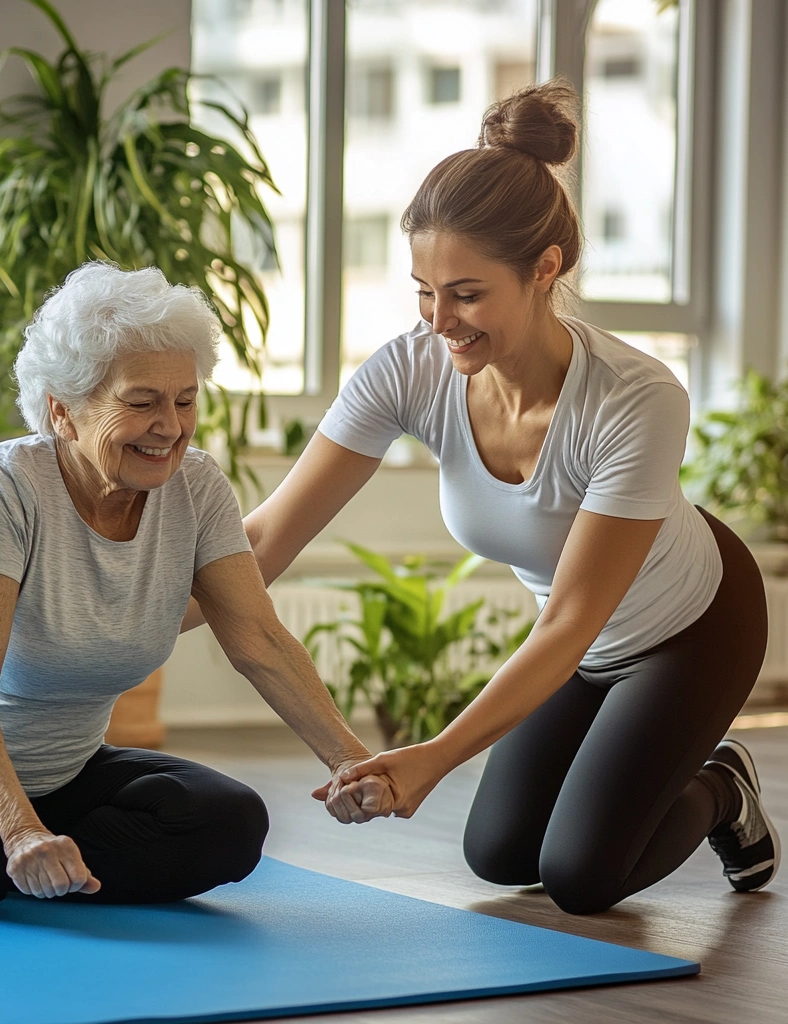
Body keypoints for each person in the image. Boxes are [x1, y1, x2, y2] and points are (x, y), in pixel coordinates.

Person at [183, 79, 780, 915]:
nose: (440, 320)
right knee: (499, 856)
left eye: (466, 294)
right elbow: (268, 535)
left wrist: (435, 755)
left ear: (545, 269)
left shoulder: (636, 396)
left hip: (691, 628)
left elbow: (570, 620)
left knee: (582, 877)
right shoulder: (409, 368)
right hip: (576, 645)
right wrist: (122, 616)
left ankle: (724, 785)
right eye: (424, 290)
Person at [0, 262, 391, 912]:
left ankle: (34, 863)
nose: (170, 426)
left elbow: (259, 639)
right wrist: (19, 827)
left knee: (231, 822)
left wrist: (350, 761)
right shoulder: (5, 486)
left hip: (60, 777)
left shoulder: (197, 488)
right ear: (62, 412)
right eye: (141, 402)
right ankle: (6, 853)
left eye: (185, 400)